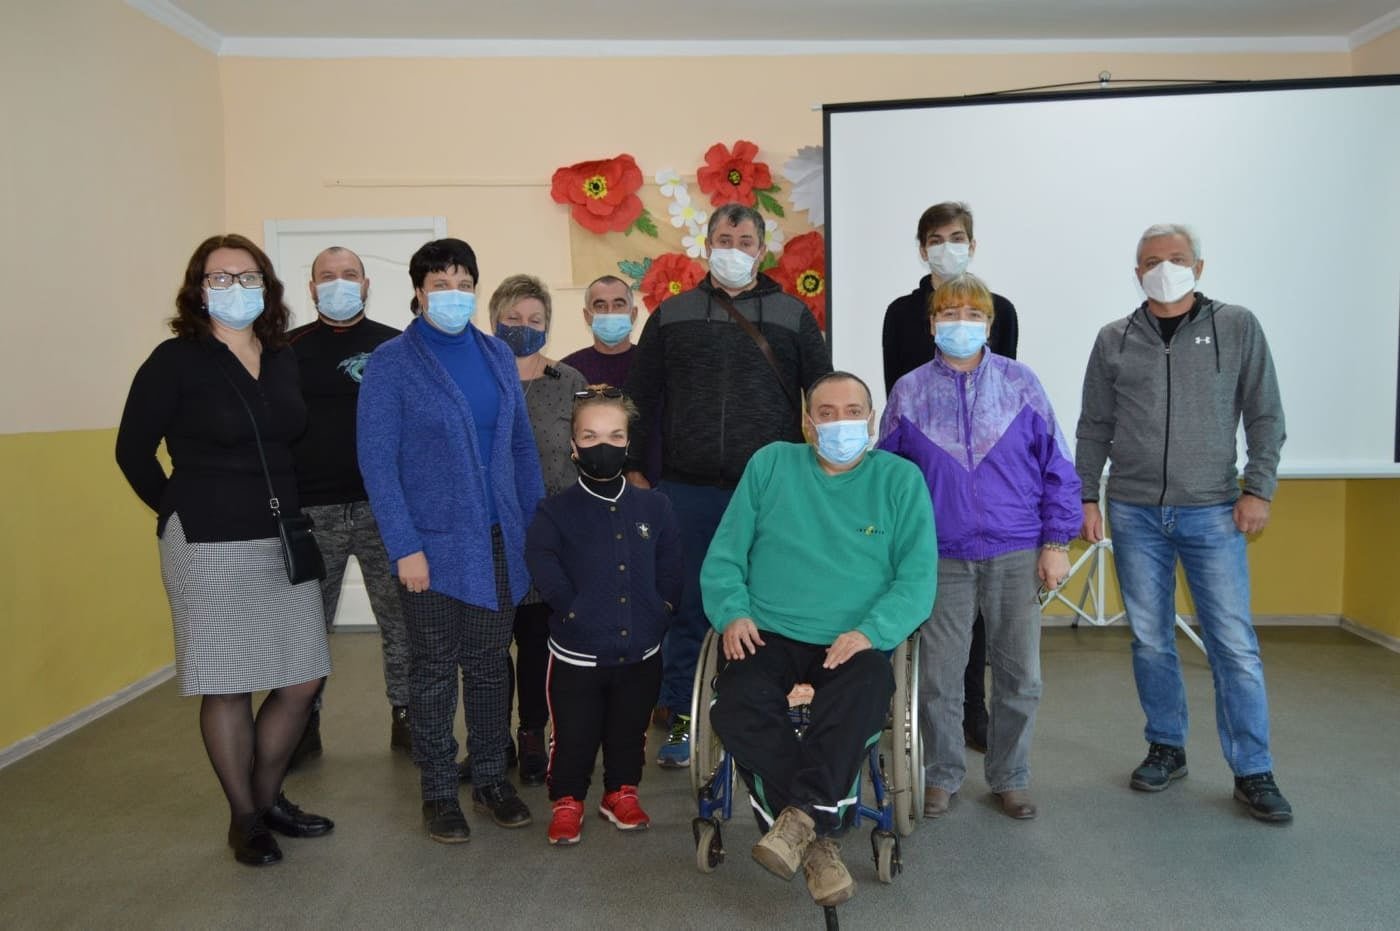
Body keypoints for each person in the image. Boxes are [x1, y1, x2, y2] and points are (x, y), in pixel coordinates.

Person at [115, 233, 333, 867]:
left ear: (266, 285)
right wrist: (177, 508)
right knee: (228, 682)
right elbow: (132, 451)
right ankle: (244, 818)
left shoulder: (282, 357)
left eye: (248, 276)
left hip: (281, 536)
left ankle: (266, 799)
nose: (236, 288)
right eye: (221, 277)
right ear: (199, 288)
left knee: (302, 677)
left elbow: (291, 439)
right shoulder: (175, 359)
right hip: (207, 540)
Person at [1076, 223, 1292, 823]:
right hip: (1134, 510)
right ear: (1136, 272)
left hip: (1214, 509)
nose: (1163, 268)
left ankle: (1253, 770)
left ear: (1198, 267)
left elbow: (1265, 415)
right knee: (1150, 639)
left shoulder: (1237, 326)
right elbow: (1094, 425)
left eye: (1175, 258)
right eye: (1151, 261)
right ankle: (1166, 746)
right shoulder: (1114, 338)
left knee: (1233, 645)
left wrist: (1258, 488)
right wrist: (1087, 497)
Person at [701, 371, 937, 907]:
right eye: (826, 413)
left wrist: (871, 632)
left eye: (852, 412)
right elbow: (725, 556)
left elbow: (917, 581)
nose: (839, 423)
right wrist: (732, 613)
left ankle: (798, 822)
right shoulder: (770, 465)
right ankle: (815, 833)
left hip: (852, 639)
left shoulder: (900, 480)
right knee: (734, 703)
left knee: (867, 688)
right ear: (808, 423)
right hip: (768, 630)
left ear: (871, 421)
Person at [625, 203, 833, 768]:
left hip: (769, 491)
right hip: (686, 490)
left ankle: (761, 715)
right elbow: (640, 397)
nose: (733, 250)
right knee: (689, 604)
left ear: (761, 250)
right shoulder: (671, 315)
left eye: (744, 241)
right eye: (724, 239)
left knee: (765, 606)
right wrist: (635, 467)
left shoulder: (793, 315)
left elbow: (822, 396)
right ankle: (683, 714)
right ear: (707, 246)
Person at [356, 238, 544, 843]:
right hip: (431, 547)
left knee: (489, 664)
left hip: (496, 539)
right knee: (434, 667)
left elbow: (520, 449)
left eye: (464, 283)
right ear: (418, 292)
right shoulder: (392, 362)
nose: (453, 294)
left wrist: (533, 528)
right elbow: (378, 463)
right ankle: (438, 791)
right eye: (440, 284)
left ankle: (490, 779)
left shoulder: (496, 354)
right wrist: (403, 546)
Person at [879, 273, 1079, 821]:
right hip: (941, 554)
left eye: (973, 314)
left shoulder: (1021, 384)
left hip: (1016, 549)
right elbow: (887, 480)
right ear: (932, 325)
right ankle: (942, 775)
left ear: (990, 324)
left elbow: (1058, 466)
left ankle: (1010, 777)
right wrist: (893, 551)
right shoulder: (909, 391)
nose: (960, 323)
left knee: (1020, 676)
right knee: (938, 677)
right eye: (949, 313)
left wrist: (1056, 541)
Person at [881, 200, 1021, 754]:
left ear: (973, 244)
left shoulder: (1000, 309)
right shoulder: (900, 313)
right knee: (934, 605)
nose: (947, 247)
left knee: (980, 614)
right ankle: (918, 708)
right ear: (922, 249)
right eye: (936, 239)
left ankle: (973, 708)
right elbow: (898, 394)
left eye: (957, 237)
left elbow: (1000, 392)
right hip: (927, 477)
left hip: (985, 484)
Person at [524, 386, 683, 845]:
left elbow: (671, 566)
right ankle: (567, 800)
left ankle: (620, 792)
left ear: (628, 442)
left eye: (615, 436)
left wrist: (662, 610)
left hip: (641, 652)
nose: (603, 446)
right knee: (574, 733)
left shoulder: (656, 506)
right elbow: (542, 563)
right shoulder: (554, 511)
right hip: (577, 655)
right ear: (573, 446)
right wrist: (572, 610)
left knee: (629, 730)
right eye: (590, 436)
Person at [286, 246, 410, 763]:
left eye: (349, 274)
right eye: (327, 276)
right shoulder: (284, 350)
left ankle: (407, 716)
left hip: (384, 509)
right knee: (307, 626)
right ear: (312, 288)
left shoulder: (396, 347)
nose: (339, 283)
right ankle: (300, 723)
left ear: (365, 284)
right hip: (311, 513)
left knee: (401, 622)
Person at [488, 273, 587, 786]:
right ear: (493, 321)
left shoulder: (568, 381)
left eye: (534, 319)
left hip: (551, 532)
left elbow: (588, 452)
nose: (523, 327)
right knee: (489, 642)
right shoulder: (479, 377)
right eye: (513, 318)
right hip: (491, 531)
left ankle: (532, 733)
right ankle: (491, 740)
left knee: (535, 641)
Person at [561, 275, 662, 485]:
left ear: (633, 314)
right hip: (583, 486)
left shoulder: (656, 366)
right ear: (587, 316)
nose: (610, 313)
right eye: (600, 306)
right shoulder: (567, 371)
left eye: (618, 304)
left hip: (647, 485)